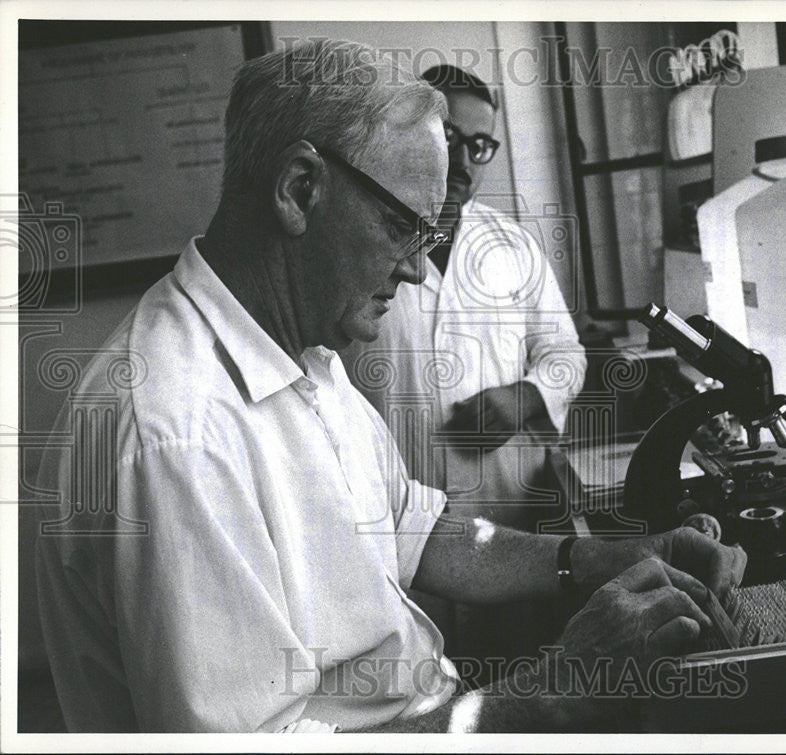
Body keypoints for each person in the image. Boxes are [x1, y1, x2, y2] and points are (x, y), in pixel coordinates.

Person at [33, 39, 746, 733]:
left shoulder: (306, 353)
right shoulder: (176, 433)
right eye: (403, 224)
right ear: (299, 189)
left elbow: (418, 528)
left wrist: (601, 556)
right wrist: (557, 687)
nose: (415, 269)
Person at [341, 64, 588, 668]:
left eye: (481, 146)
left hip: (508, 522)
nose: (465, 161)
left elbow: (566, 355)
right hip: (392, 538)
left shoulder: (512, 246)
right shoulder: (358, 247)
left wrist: (524, 398)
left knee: (517, 684)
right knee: (422, 693)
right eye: (450, 138)